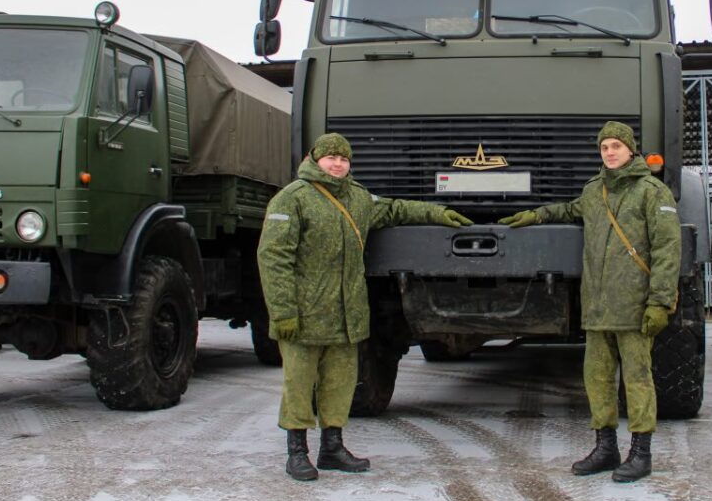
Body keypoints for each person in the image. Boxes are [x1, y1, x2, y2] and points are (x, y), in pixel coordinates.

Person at [258, 132, 473, 481]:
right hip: (305, 314)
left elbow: (396, 208)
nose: (338, 164)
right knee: (299, 384)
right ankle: (297, 451)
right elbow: (273, 259)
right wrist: (283, 312)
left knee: (340, 384)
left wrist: (439, 212)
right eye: (331, 158)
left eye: (344, 159)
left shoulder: (358, 198)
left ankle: (332, 448)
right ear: (316, 159)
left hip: (347, 316)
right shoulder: (291, 199)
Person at [499, 121, 680, 482]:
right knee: (596, 379)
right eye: (604, 147)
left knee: (637, 379)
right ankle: (606, 448)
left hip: (634, 307)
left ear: (631, 150)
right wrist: (536, 215)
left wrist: (659, 303)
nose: (610, 152)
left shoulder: (652, 192)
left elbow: (667, 250)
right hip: (598, 309)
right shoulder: (594, 191)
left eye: (616, 146)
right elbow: (570, 210)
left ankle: (641, 453)